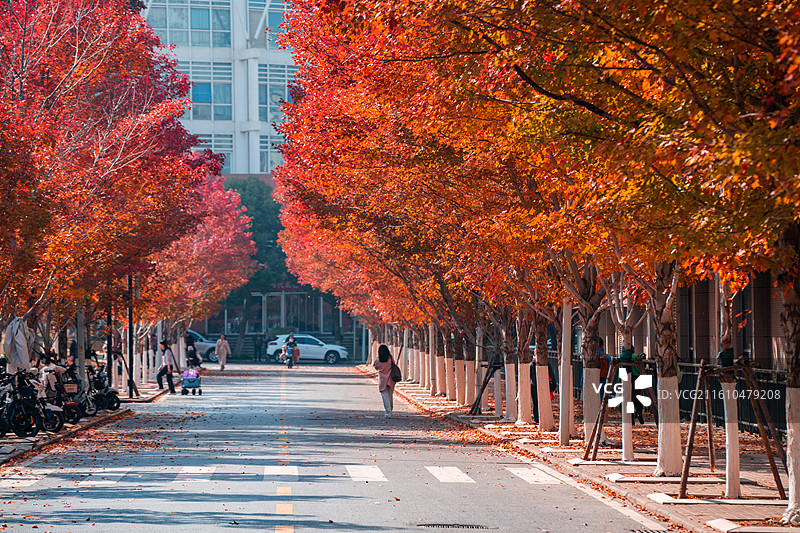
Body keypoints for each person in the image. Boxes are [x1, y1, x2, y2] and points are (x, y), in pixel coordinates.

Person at [373, 344, 396, 418]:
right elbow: (394, 364)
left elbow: (376, 367)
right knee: (390, 396)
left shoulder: (378, 360)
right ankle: (390, 411)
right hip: (391, 379)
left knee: (384, 396)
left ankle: (388, 412)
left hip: (383, 380)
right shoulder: (390, 358)